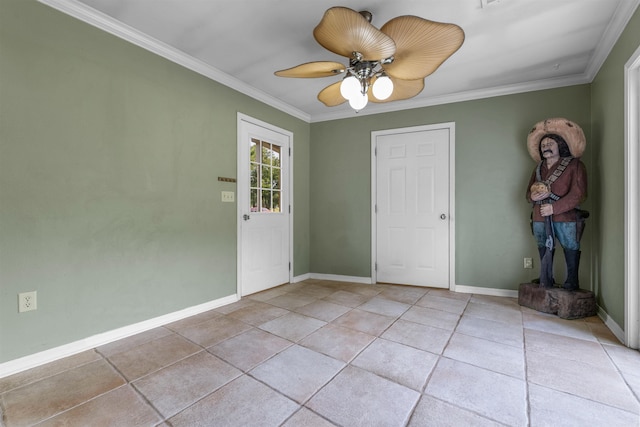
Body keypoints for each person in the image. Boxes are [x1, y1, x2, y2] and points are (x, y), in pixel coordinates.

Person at [525, 118, 588, 290]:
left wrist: (554, 207)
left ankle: (572, 282)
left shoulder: (575, 166)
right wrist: (534, 197)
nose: (545, 146)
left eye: (550, 143)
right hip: (539, 215)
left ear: (560, 145)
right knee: (543, 246)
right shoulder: (538, 168)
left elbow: (579, 194)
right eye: (543, 144)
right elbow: (528, 194)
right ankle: (546, 278)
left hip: (565, 217)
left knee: (570, 248)